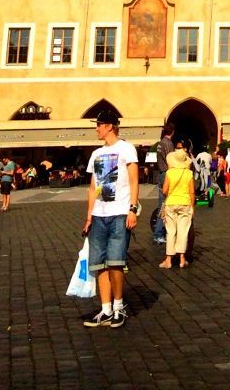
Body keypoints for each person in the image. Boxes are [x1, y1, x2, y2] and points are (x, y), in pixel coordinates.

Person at [82, 106, 140, 329]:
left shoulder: (127, 149)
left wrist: (132, 209)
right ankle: (105, 310)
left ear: (109, 127)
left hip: (119, 213)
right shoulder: (96, 154)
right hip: (99, 215)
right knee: (99, 265)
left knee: (116, 263)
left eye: (98, 125)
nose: (96, 129)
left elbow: (134, 181)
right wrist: (89, 216)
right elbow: (93, 187)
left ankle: (118, 307)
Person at [159, 141, 194, 269]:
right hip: (185, 203)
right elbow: (192, 192)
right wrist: (193, 208)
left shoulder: (169, 173)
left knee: (170, 231)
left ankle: (168, 260)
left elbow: (164, 190)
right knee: (183, 232)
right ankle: (182, 259)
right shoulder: (189, 174)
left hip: (171, 203)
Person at [153, 124, 175, 246]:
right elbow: (171, 160)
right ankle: (158, 234)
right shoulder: (168, 143)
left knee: (162, 204)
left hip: (161, 174)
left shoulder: (160, 143)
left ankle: (161, 232)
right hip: (167, 175)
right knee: (164, 205)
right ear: (172, 132)